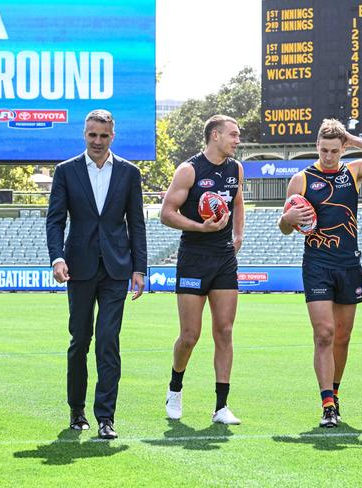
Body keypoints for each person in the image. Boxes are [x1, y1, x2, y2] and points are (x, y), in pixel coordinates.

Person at [278, 119, 362, 428]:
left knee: (343, 337)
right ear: (316, 147)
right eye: (323, 150)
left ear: (342, 149)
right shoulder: (301, 179)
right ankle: (327, 403)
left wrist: (353, 139)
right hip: (317, 264)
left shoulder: (353, 172)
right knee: (324, 334)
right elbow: (285, 228)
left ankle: (336, 393)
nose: (329, 156)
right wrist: (287, 219)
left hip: (348, 264)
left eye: (334, 150)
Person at [46, 109, 147, 440]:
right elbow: (55, 220)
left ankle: (106, 417)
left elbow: (137, 222)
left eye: (104, 136)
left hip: (117, 267)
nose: (98, 141)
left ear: (112, 137)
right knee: (80, 340)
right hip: (79, 267)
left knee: (108, 341)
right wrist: (57, 258)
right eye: (92, 135)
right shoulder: (66, 171)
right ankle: (77, 410)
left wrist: (139, 268)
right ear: (84, 134)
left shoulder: (130, 173)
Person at [160, 114, 245, 424]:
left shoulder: (236, 168)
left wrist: (238, 235)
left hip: (223, 258)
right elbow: (167, 214)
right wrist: (201, 227)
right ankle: (175, 388)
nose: (238, 140)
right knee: (190, 335)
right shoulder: (189, 170)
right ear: (214, 136)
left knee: (224, 331)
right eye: (233, 135)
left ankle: (221, 406)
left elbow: (237, 201)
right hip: (194, 256)